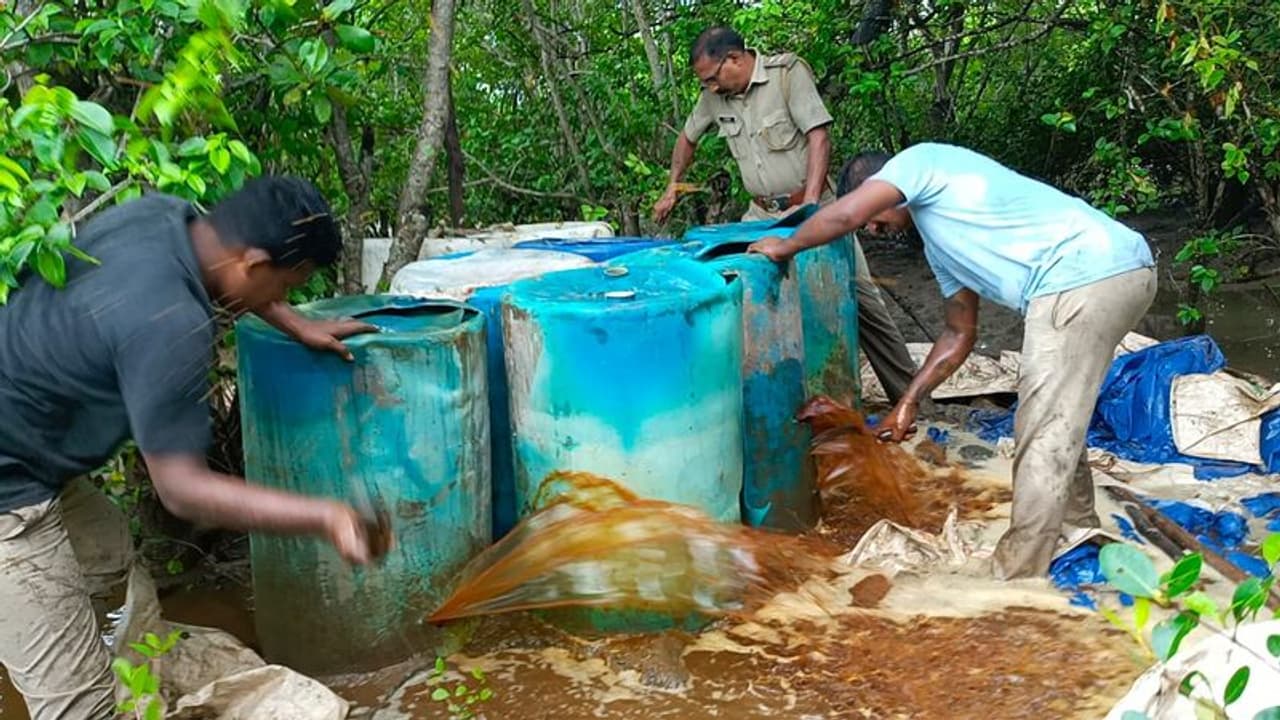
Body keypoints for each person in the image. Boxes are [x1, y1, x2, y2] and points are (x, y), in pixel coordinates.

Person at [0, 176, 388, 719]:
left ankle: (46, 643)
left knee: (108, 559)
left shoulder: (164, 215)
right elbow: (182, 490)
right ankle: (54, 671)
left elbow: (227, 277)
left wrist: (294, 322)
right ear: (253, 263)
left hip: (30, 437)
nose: (281, 299)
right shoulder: (171, 326)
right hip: (9, 489)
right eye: (283, 287)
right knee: (80, 710)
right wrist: (325, 515)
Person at [748, 143, 1157, 580]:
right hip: (1116, 270)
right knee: (1057, 418)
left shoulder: (919, 161)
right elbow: (958, 335)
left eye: (873, 215)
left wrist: (787, 246)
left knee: (1040, 429)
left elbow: (844, 215)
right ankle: (1076, 529)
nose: (869, 228)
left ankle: (1015, 573)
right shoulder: (942, 246)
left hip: (1081, 276)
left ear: (882, 188)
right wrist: (908, 401)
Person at [652, 26, 916, 404]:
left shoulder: (787, 75)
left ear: (735, 60)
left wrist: (808, 202)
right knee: (732, 288)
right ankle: (751, 399)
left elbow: (819, 135)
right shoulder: (714, 97)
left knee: (861, 299)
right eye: (704, 82)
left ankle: (911, 401)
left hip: (814, 207)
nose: (710, 87)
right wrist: (672, 187)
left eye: (713, 78)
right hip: (759, 212)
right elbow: (688, 137)